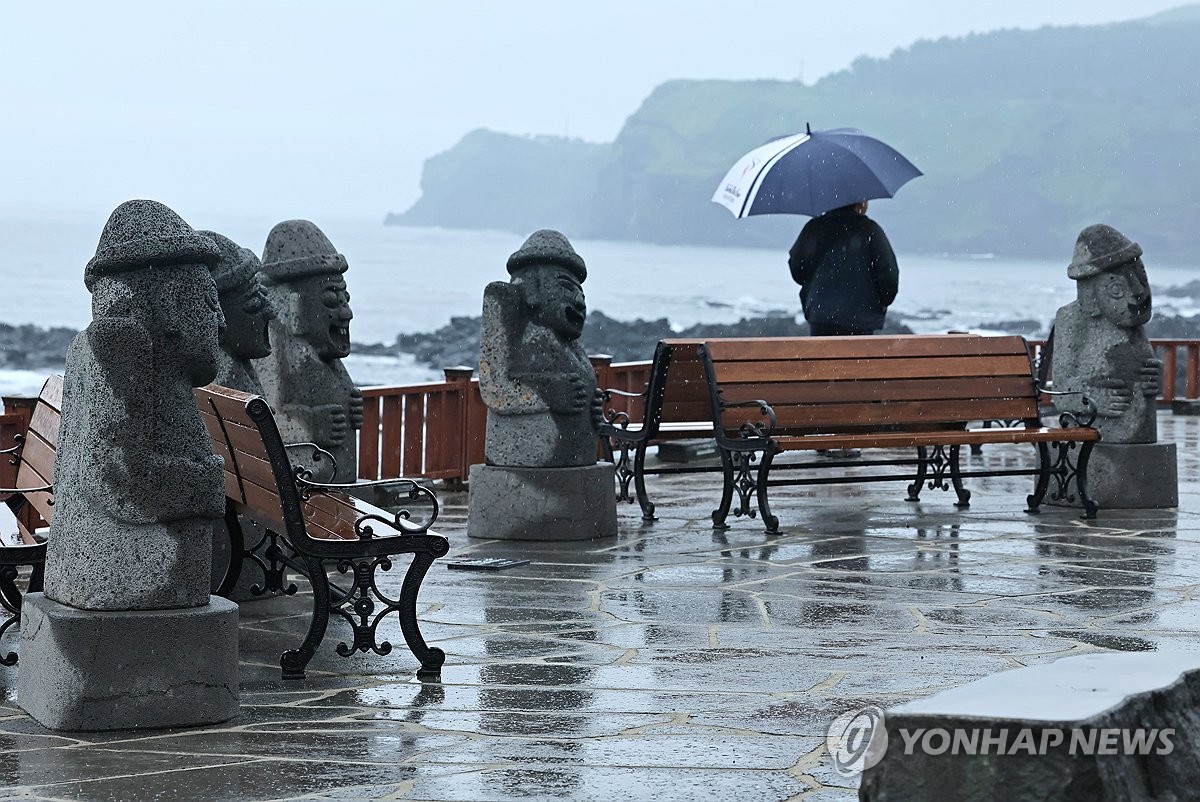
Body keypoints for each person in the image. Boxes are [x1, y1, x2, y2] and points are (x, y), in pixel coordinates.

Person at [788, 200, 899, 336]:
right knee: (857, 357)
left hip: (821, 317)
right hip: (861, 320)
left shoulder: (814, 228)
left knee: (823, 356)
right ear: (861, 203)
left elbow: (797, 270)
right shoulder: (870, 230)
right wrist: (880, 303)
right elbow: (888, 276)